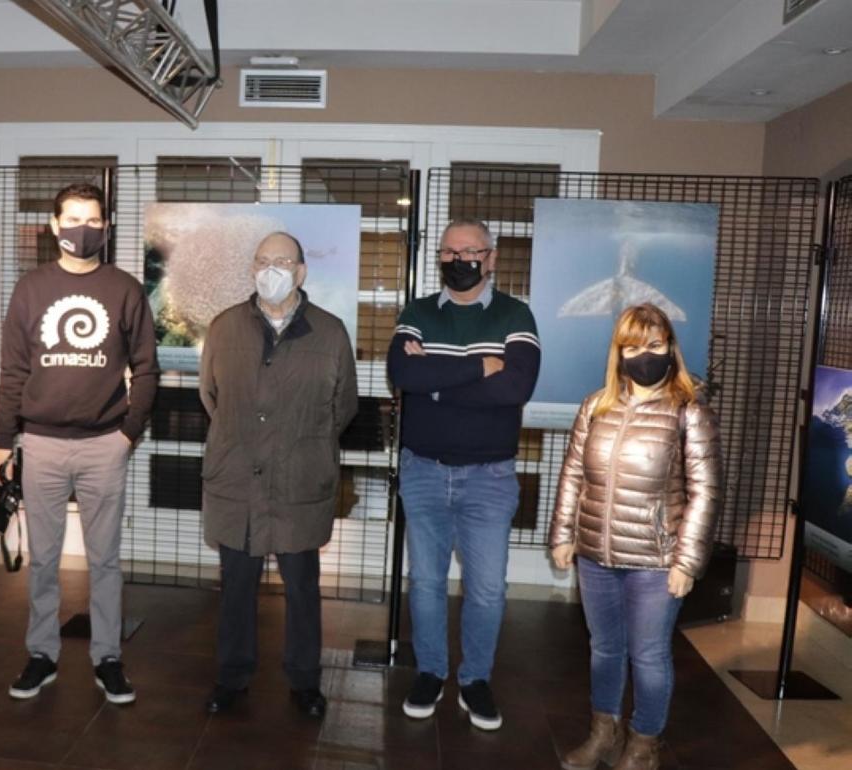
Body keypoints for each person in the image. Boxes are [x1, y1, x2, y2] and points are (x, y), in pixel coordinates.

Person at [0, 182, 158, 706]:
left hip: (104, 443)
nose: (82, 229)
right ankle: (42, 654)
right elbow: (13, 370)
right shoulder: (31, 288)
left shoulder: (125, 289)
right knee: (43, 560)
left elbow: (147, 368)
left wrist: (128, 433)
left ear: (105, 227)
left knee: (105, 560)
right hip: (41, 443)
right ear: (54, 226)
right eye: (73, 219)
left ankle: (108, 657)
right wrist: (2, 440)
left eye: (93, 220)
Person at [549, 304, 721, 770]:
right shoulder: (595, 406)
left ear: (670, 348)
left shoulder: (689, 411)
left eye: (655, 345)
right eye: (632, 347)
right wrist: (563, 534)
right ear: (618, 353)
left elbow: (705, 492)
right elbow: (572, 475)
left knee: (648, 654)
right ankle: (604, 734)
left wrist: (687, 562)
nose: (644, 355)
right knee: (604, 649)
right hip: (596, 555)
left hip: (656, 560)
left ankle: (644, 744)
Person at [387, 219, 540, 731]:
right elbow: (403, 374)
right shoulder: (418, 312)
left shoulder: (515, 315)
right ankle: (431, 672)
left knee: (488, 589)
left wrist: (436, 381)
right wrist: (480, 366)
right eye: (450, 252)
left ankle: (475, 679)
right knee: (425, 582)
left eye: (470, 251)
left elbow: (515, 389)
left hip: (489, 478)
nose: (460, 260)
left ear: (491, 258)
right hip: (424, 472)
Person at [199, 232, 358, 719]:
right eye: (263, 261)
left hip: (299, 482)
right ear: (252, 269)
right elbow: (210, 396)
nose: (271, 270)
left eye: (283, 262)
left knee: (303, 588)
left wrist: (303, 442)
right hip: (238, 482)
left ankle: (305, 681)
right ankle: (232, 677)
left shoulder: (330, 332)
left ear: (301, 272)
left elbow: (343, 406)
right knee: (236, 587)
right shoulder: (225, 327)